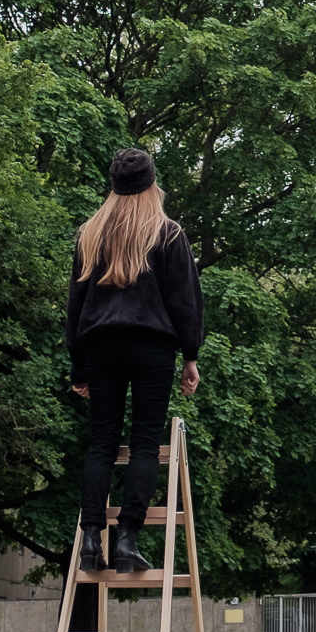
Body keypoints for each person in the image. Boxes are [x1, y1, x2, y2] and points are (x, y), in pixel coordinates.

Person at [67, 147, 203, 574]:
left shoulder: (90, 234)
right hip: (151, 348)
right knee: (145, 442)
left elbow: (75, 304)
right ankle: (127, 538)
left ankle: (91, 539)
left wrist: (78, 364)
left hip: (100, 346)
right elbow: (186, 301)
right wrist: (190, 355)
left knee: (102, 442)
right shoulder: (168, 234)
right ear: (151, 184)